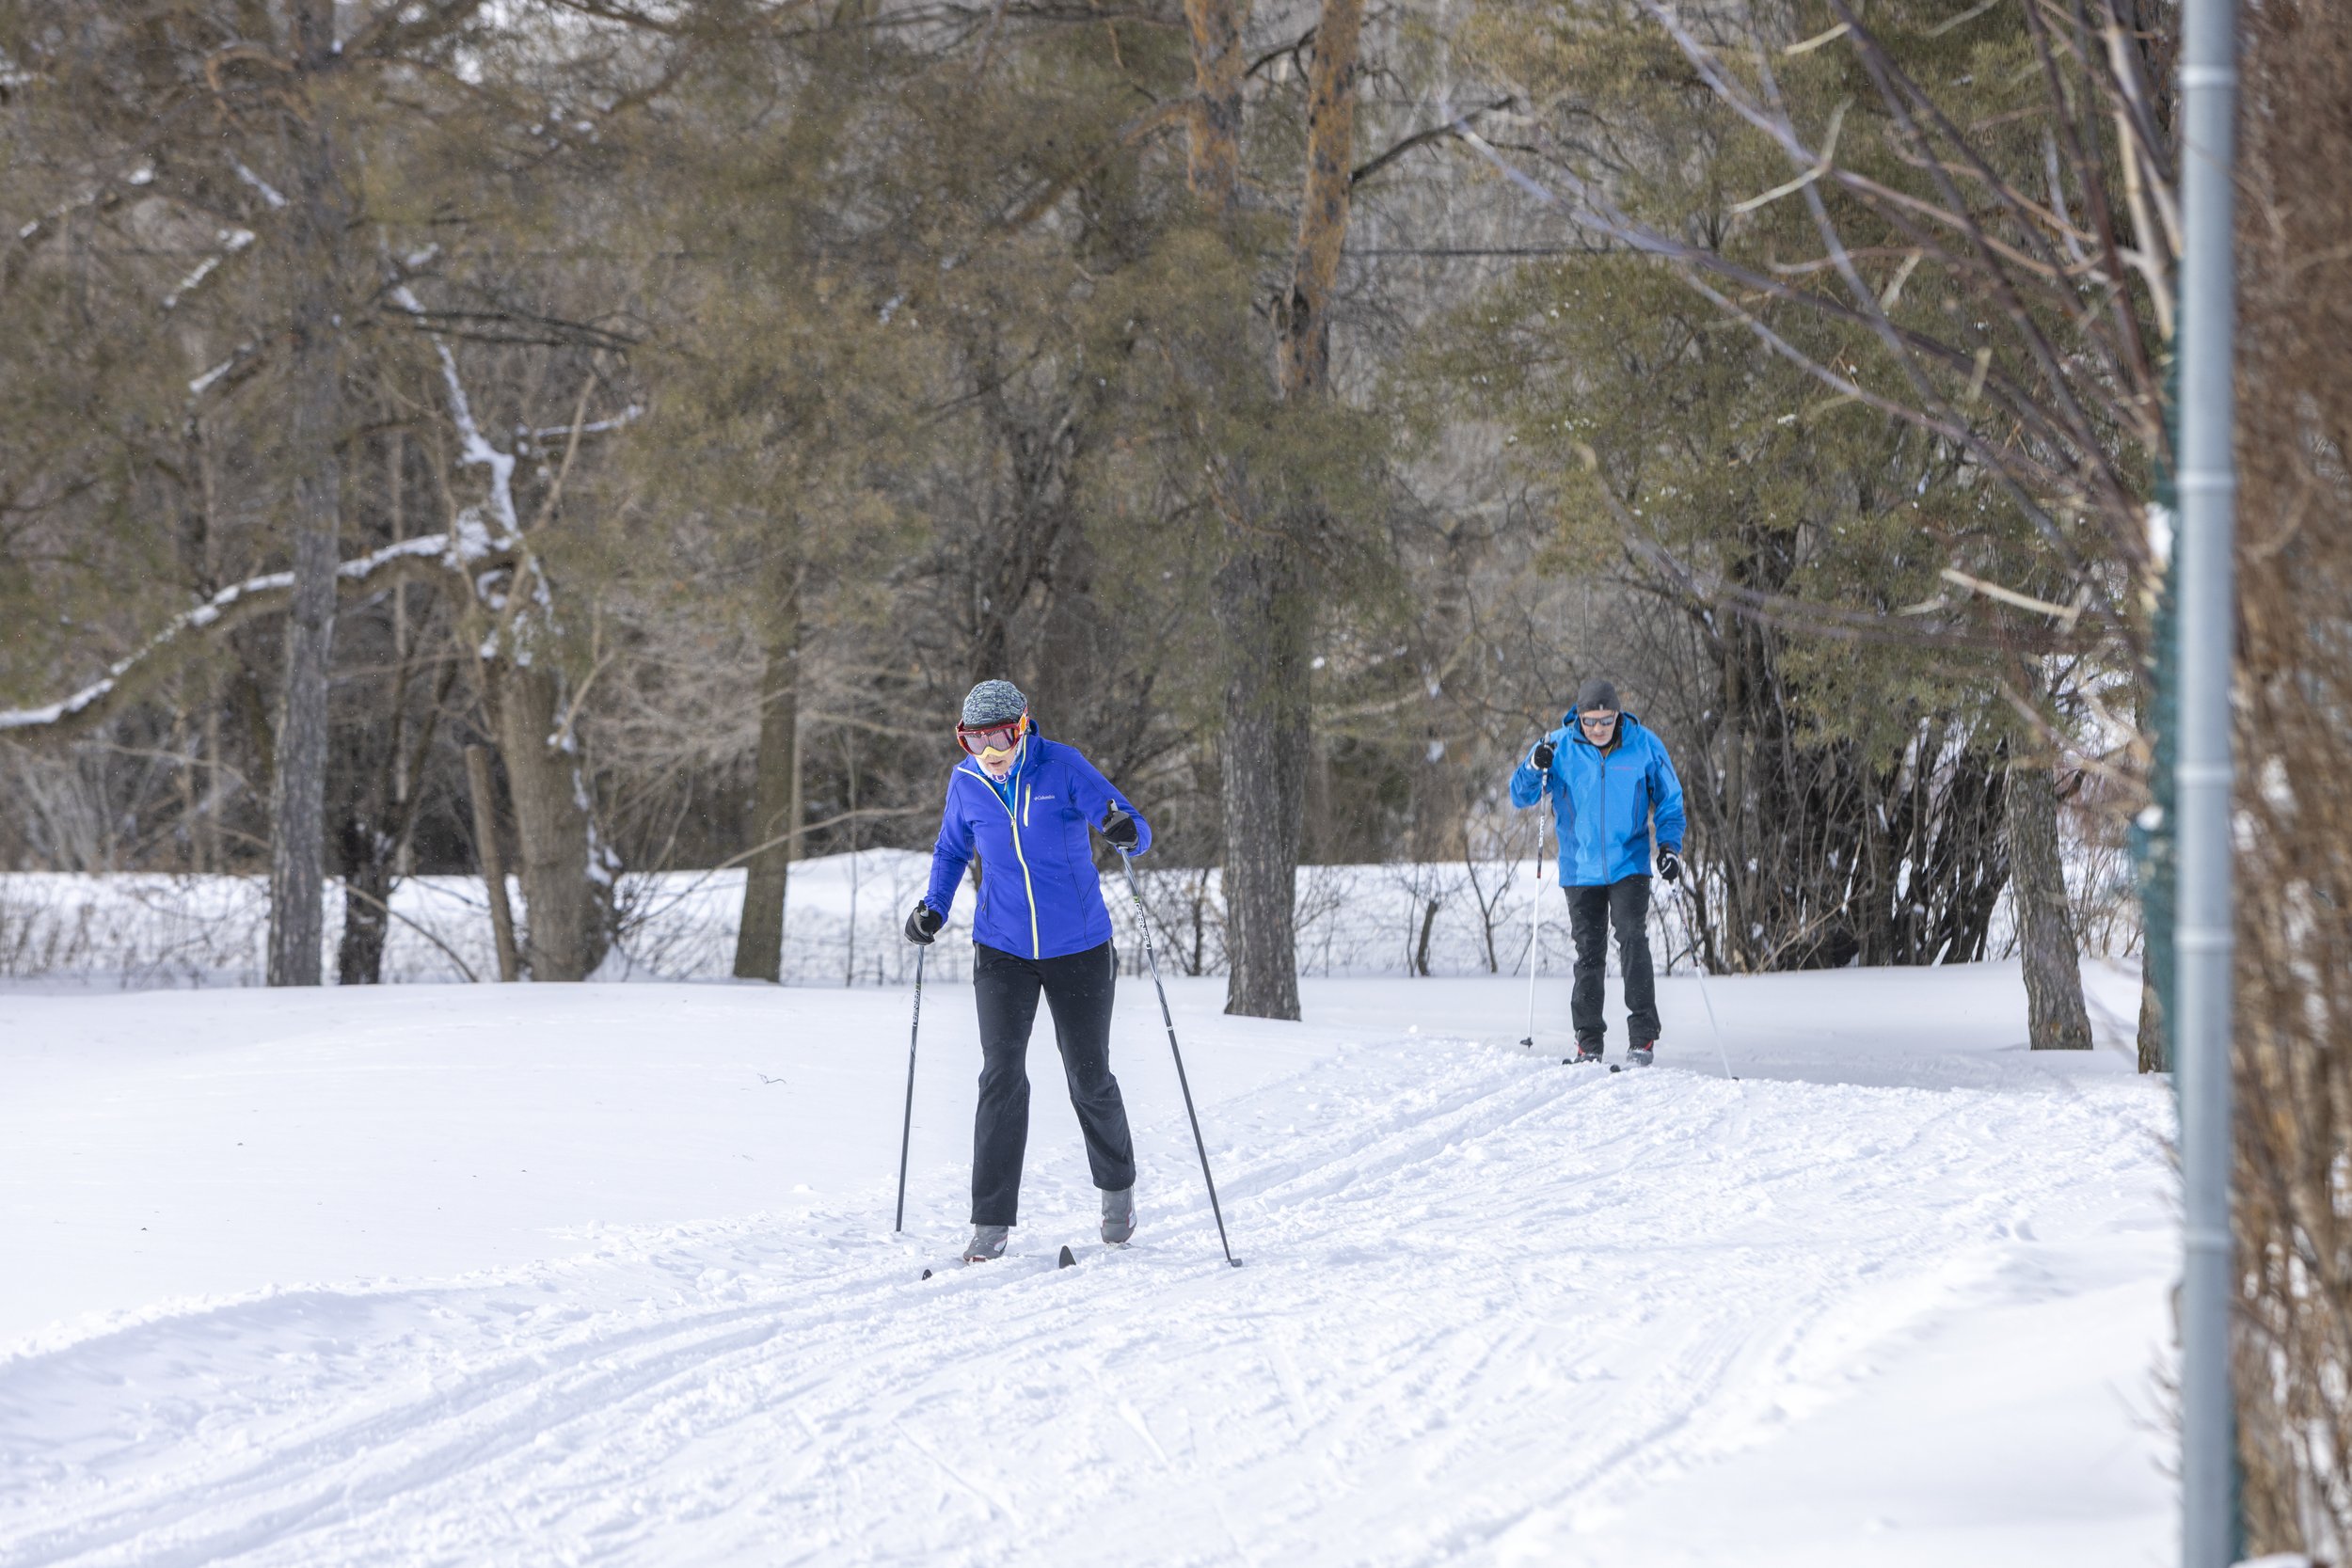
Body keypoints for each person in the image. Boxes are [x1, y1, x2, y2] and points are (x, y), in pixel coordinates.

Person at [903, 679, 1152, 1263]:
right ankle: (991, 1220)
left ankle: (1117, 1189)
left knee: (1089, 1075)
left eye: (1000, 736)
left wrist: (1125, 832)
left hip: (1079, 946)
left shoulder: (1061, 767)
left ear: (1022, 727)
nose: (990, 749)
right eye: (975, 739)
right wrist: (933, 907)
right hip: (1003, 949)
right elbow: (950, 851)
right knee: (1001, 1074)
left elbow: (1131, 826)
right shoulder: (966, 783)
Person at [1510, 677, 1687, 1066]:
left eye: (1606, 720)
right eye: (1590, 722)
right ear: (1579, 718)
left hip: (1629, 862)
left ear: (1618, 715)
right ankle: (1588, 1040)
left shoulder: (1644, 745)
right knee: (1589, 953)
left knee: (1632, 938)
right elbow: (1520, 794)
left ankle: (1642, 1036)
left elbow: (1670, 801)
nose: (1598, 729)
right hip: (1580, 866)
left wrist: (1670, 847)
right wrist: (1530, 766)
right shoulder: (1558, 746)